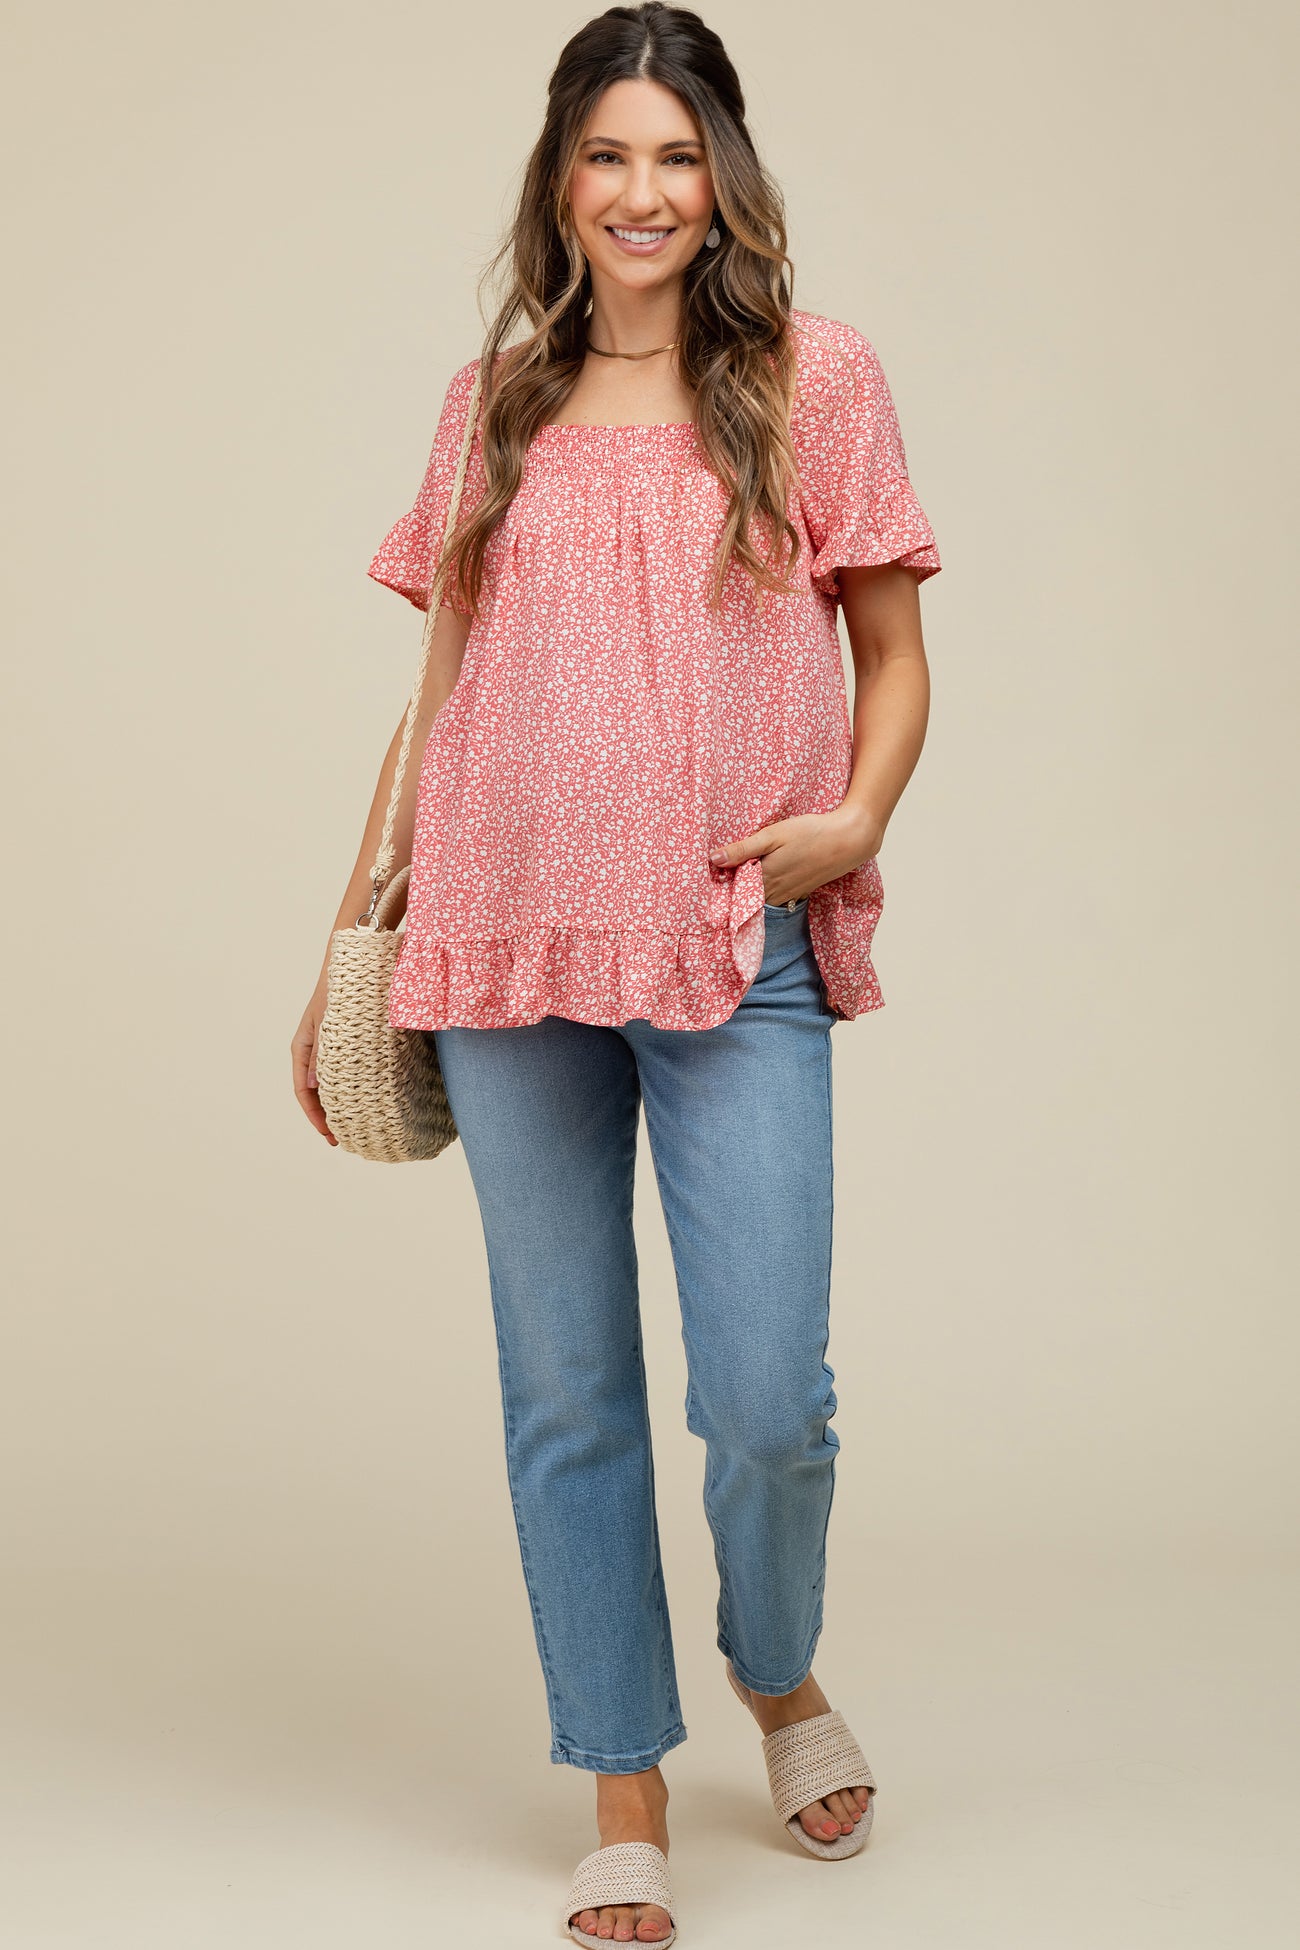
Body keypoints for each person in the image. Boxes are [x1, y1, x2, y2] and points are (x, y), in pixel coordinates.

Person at [292, 5, 941, 1942]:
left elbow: (893, 657)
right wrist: (346, 935)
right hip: (499, 942)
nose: (641, 193)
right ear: (559, 180)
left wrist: (850, 822)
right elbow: (437, 693)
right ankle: (621, 1775)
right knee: (565, 1388)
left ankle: (775, 1667)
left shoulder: (813, 378)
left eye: (674, 156)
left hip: (732, 944)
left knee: (765, 1398)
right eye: (606, 155)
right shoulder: (490, 403)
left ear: (721, 179)